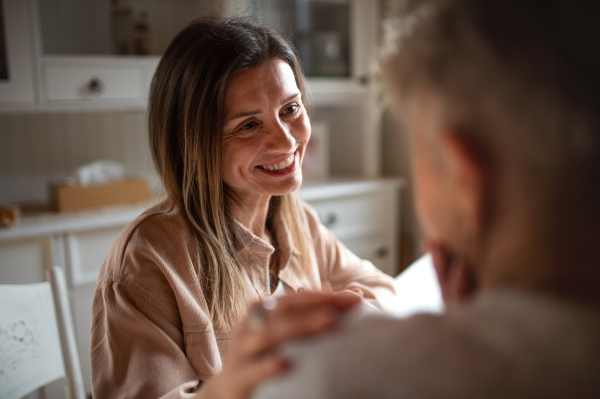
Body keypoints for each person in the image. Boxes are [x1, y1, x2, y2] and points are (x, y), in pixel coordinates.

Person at [247, 0, 600, 397]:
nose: (286, 139)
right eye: (247, 125)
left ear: (465, 178)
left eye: (420, 150)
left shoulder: (321, 375)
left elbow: (377, 286)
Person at [90, 17, 396, 398]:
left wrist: (332, 324)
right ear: (192, 143)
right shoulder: (148, 260)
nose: (286, 141)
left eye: (290, 109)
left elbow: (384, 290)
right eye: (249, 126)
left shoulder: (295, 218)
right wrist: (241, 380)